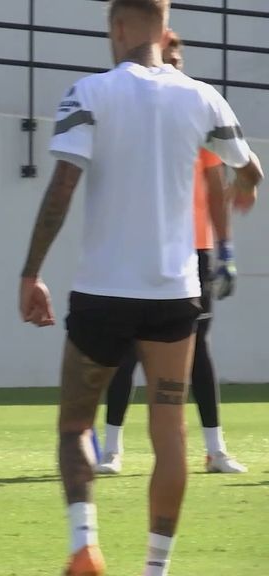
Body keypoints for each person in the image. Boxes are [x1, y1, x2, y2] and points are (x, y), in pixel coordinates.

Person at [17, 1, 262, 574]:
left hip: (103, 292)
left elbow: (61, 187)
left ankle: (84, 544)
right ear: (164, 28)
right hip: (174, 295)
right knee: (170, 430)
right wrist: (245, 187)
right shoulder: (203, 96)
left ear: (119, 27)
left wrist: (31, 271)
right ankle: (155, 568)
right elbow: (247, 167)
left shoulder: (89, 93)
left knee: (76, 422)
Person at [97, 32, 247, 476]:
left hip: (194, 252)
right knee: (125, 349)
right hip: (139, 248)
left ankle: (215, 450)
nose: (177, 65)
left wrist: (226, 249)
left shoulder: (196, 116)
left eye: (180, 58)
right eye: (170, 58)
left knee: (198, 349)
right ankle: (111, 448)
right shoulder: (133, 118)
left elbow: (216, 189)